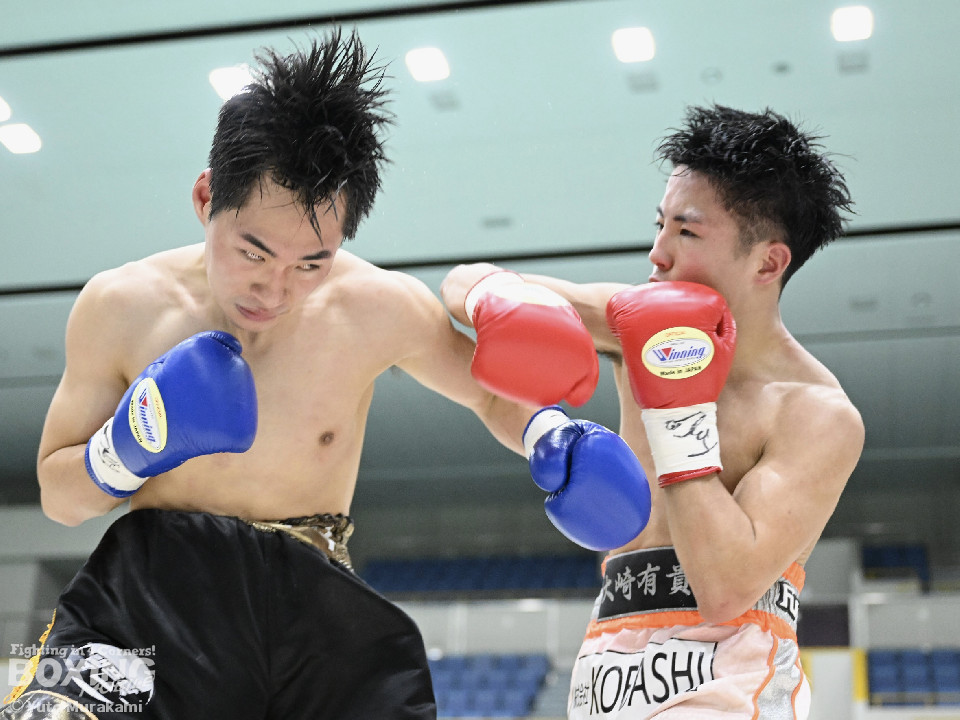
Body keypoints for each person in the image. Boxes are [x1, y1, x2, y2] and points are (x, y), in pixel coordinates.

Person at [0, 29, 559, 720]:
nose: (275, 289)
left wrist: (552, 438)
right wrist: (126, 449)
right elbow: (61, 499)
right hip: (148, 595)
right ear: (206, 197)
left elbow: (492, 398)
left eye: (311, 264)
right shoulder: (122, 307)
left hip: (309, 607)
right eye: (253, 253)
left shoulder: (379, 308)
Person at [440, 104, 865, 718]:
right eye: (661, 224)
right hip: (608, 667)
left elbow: (725, 587)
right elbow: (464, 282)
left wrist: (676, 409)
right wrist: (492, 295)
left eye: (686, 233)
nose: (657, 253)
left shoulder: (815, 413)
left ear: (768, 262)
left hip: (729, 683)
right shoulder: (632, 321)